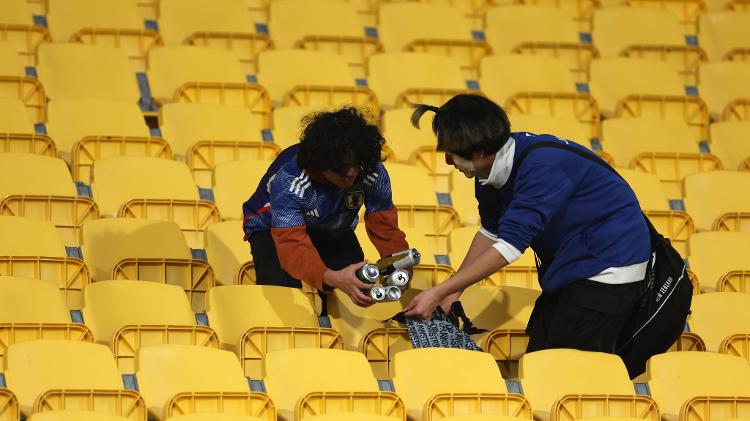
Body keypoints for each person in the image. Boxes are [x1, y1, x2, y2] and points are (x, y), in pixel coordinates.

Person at [403, 94, 652, 357]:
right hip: (572, 269)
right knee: (539, 359)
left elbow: (509, 248)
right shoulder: (488, 171)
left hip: (609, 268)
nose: (451, 164)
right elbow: (492, 232)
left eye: (451, 157)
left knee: (563, 369)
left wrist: (440, 290)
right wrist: (454, 292)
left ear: (478, 153)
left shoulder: (542, 166)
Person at [242, 107, 409, 310]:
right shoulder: (290, 181)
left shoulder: (371, 171)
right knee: (283, 296)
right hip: (273, 230)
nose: (351, 174)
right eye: (342, 168)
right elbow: (292, 245)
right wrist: (331, 277)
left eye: (356, 165)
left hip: (333, 228)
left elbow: (385, 226)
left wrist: (401, 264)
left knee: (361, 290)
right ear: (320, 163)